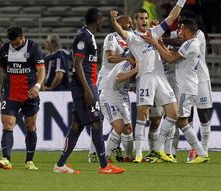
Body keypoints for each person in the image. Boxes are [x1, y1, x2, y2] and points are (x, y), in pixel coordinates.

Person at [110, 0, 187, 163]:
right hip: (145, 77)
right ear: (135, 21)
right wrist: (114, 21)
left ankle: (158, 149)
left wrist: (182, 1)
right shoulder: (132, 37)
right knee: (142, 114)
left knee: (174, 113)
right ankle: (138, 154)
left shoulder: (155, 32)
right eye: (140, 19)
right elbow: (121, 32)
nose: (144, 21)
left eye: (145, 18)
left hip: (160, 77)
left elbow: (172, 16)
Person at [53, 8, 124, 174]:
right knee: (97, 122)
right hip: (83, 87)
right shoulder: (83, 37)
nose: (102, 23)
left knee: (77, 125)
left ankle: (60, 164)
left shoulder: (88, 36)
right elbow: (78, 64)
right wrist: (87, 90)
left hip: (88, 84)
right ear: (98, 21)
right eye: (101, 20)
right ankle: (105, 166)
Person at [144, 18, 209, 164]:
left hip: (186, 87)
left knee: (178, 119)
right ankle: (198, 153)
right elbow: (168, 53)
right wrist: (159, 40)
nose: (179, 32)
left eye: (181, 30)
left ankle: (160, 151)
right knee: (178, 120)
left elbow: (170, 58)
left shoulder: (191, 44)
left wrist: (155, 42)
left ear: (186, 30)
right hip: (186, 86)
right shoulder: (191, 43)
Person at [0, 26, 46, 170]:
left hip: (30, 93)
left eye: (17, 43)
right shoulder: (5, 48)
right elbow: (2, 70)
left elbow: (41, 69)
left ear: (23, 37)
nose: (15, 46)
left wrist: (37, 86)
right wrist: (0, 90)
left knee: (30, 126)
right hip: (11, 94)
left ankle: (29, 161)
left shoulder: (33, 48)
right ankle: (6, 159)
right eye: (12, 44)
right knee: (8, 124)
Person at [87, 15, 133, 163]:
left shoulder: (131, 39)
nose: (131, 24)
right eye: (128, 22)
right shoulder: (111, 38)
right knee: (99, 120)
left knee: (123, 123)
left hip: (121, 87)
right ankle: (93, 152)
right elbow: (110, 58)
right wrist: (128, 59)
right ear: (119, 24)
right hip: (105, 83)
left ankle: (118, 149)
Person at [99, 59, 138, 163]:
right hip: (108, 98)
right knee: (119, 126)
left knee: (128, 129)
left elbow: (130, 86)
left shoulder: (137, 68)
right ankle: (105, 157)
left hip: (121, 99)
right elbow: (119, 77)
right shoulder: (126, 64)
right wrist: (136, 70)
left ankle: (129, 157)